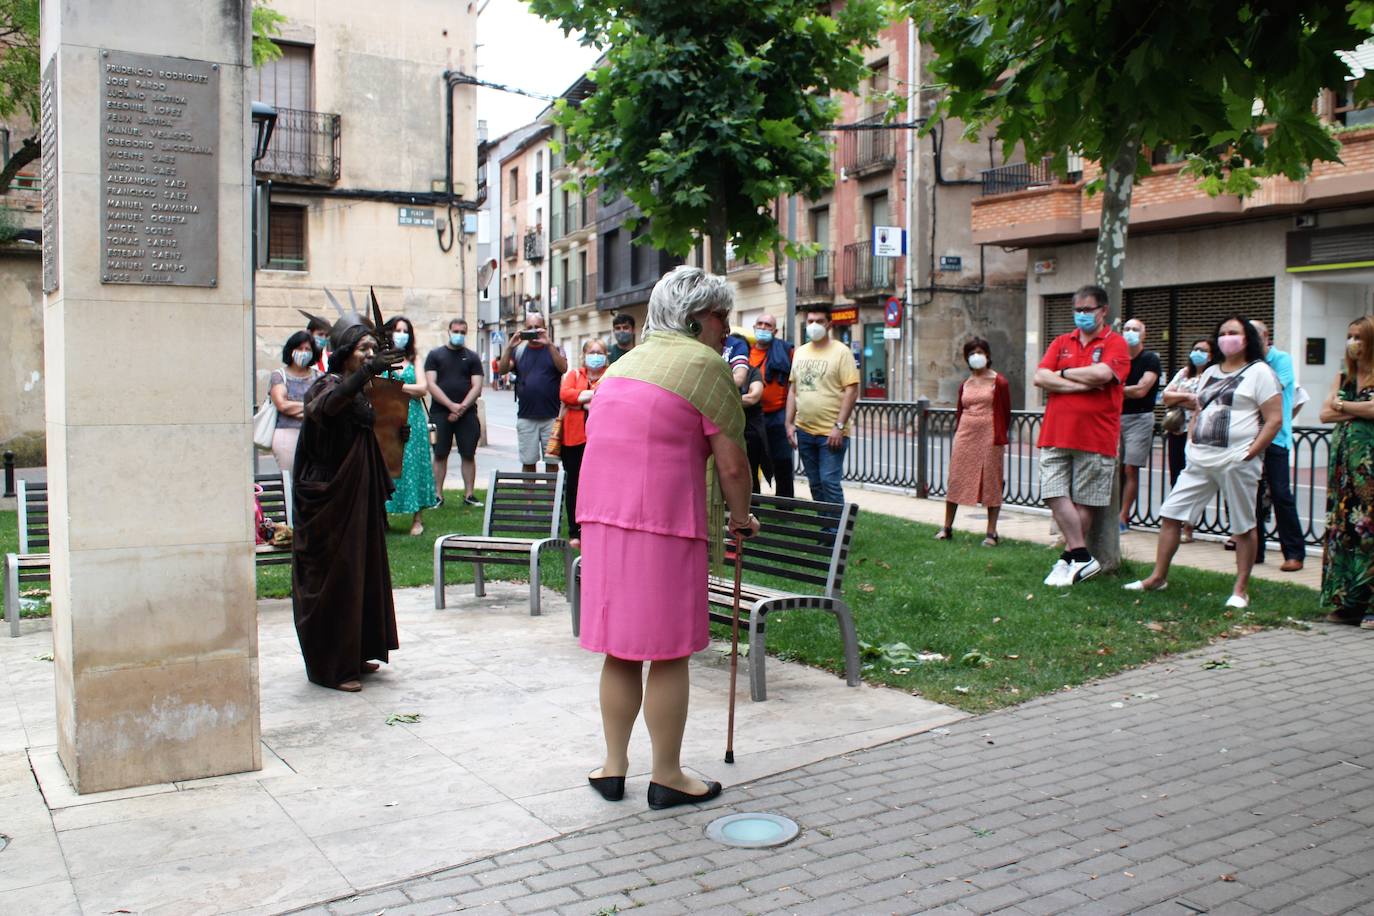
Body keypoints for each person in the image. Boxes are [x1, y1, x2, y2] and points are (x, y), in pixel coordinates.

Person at [577, 265, 758, 810]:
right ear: (696, 317)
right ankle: (668, 775)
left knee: (621, 650)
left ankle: (612, 767)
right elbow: (732, 466)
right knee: (668, 653)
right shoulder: (706, 366)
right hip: (664, 524)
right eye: (721, 316)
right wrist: (742, 519)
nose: (727, 329)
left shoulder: (621, 366)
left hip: (603, 520)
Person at [1125, 316, 1282, 609]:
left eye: (1233, 332)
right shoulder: (1210, 371)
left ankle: (1240, 589)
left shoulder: (1260, 372)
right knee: (1172, 514)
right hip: (1200, 458)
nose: (1226, 338)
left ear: (1246, 337)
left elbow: (1274, 419)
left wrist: (1252, 452)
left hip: (1236, 459)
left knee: (1243, 524)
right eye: (1222, 333)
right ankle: (1158, 577)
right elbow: (1200, 407)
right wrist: (1193, 437)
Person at [291, 316, 403, 692]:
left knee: (360, 572)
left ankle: (355, 652)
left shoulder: (361, 389)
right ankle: (333, 666)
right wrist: (369, 371)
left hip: (356, 495)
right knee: (336, 576)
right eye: (363, 350)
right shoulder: (326, 384)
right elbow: (327, 408)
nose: (370, 355)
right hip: (329, 498)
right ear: (344, 353)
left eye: (374, 349)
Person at [1033, 285, 1131, 587]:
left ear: (1103, 311)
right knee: (1052, 491)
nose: (1081, 315)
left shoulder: (1116, 343)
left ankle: (1069, 560)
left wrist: (1060, 375)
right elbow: (1040, 377)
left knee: (1083, 501)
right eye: (1077, 309)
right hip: (1055, 432)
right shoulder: (1062, 341)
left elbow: (1103, 375)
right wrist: (1075, 379)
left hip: (1096, 435)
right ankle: (1081, 556)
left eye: (1087, 309)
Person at [1320, 316, 1374, 629]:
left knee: (1369, 533)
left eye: (1359, 337)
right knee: (1346, 532)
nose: (1353, 342)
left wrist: (1343, 407)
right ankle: (1348, 602)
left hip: (1368, 468)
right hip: (1344, 472)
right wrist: (1350, 407)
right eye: (1349, 336)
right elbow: (1324, 413)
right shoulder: (1344, 376)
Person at [936, 337, 1011, 546]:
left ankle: (991, 532)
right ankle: (947, 527)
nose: (975, 357)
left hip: (990, 435)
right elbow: (960, 411)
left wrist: (999, 437)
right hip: (966, 434)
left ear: (987, 355)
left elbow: (1005, 412)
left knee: (991, 481)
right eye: (971, 353)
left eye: (979, 352)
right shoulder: (965, 384)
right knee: (956, 478)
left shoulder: (999, 382)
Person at [786, 307, 860, 506]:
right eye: (810, 321)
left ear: (829, 324)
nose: (814, 326)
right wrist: (789, 424)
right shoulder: (800, 353)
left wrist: (839, 426)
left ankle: (836, 533)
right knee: (816, 483)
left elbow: (851, 391)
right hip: (804, 430)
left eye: (819, 321)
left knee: (829, 482)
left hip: (831, 433)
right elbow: (793, 390)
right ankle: (826, 531)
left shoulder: (841, 352)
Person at [1249, 320, 1305, 572]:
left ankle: (1294, 553)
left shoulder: (1280, 360)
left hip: (1276, 438)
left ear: (1265, 337)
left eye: (1252, 336)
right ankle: (1254, 551)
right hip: (1250, 437)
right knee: (1252, 496)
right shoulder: (1246, 362)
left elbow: (1273, 388)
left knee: (1281, 494)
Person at [380, 316, 437, 536]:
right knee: (387, 466)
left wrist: (395, 386)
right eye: (397, 330)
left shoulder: (415, 359)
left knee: (414, 464)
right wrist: (403, 388)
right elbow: (377, 386)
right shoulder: (382, 359)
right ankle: (383, 514)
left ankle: (417, 517)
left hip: (413, 417)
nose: (401, 334)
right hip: (387, 418)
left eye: (405, 330)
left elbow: (422, 388)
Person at [425, 318, 485, 507]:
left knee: (468, 454)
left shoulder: (473, 357)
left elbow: (477, 386)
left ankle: (469, 494)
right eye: (456, 331)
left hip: (467, 414)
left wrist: (461, 408)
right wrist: (451, 405)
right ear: (449, 331)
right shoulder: (435, 355)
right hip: (440, 413)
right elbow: (431, 384)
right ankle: (437, 495)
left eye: (462, 332)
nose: (459, 334)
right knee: (440, 454)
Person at [500, 312, 567, 472]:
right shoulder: (519, 351)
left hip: (551, 417)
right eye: (529, 328)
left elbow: (563, 368)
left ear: (544, 328)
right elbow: (502, 370)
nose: (533, 331)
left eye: (537, 327)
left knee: (552, 462)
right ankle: (529, 498)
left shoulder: (555, 349)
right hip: (526, 417)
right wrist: (510, 347)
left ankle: (552, 497)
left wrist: (549, 344)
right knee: (528, 462)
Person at [559, 338, 610, 550]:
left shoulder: (611, 374)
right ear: (584, 355)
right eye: (592, 352)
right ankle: (575, 530)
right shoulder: (574, 375)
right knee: (574, 486)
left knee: (600, 485)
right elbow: (564, 394)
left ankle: (597, 527)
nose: (596, 356)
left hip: (602, 440)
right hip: (573, 439)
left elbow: (609, 397)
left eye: (600, 352)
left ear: (606, 355)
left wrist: (578, 400)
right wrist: (589, 397)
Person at [1161, 338, 1212, 542]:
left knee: (1194, 478)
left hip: (1200, 433)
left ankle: (1189, 526)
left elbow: (1204, 401)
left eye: (1203, 350)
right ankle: (1176, 522)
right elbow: (1166, 396)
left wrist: (1182, 398)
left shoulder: (1213, 375)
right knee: (1176, 476)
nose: (1197, 352)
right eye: (1195, 349)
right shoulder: (1184, 372)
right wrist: (1189, 398)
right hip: (1177, 430)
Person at [1117, 318, 1161, 532]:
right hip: (1116, 417)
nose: (1130, 332)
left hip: (1140, 418)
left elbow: (1142, 389)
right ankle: (1110, 513)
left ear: (1144, 334)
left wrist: (1115, 390)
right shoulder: (1117, 358)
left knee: (1130, 468)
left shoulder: (1150, 359)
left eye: (1135, 329)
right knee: (1113, 468)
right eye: (1126, 329)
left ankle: (1123, 516)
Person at [748, 313, 794, 497]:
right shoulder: (746, 352)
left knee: (783, 461)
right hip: (751, 416)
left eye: (768, 325)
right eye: (760, 324)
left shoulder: (786, 351)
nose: (763, 327)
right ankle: (752, 505)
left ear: (775, 331)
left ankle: (785, 508)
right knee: (751, 462)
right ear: (754, 327)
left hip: (778, 415)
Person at [268, 331, 321, 475]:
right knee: (290, 479)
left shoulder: (319, 376)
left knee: (313, 480)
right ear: (291, 350)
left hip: (314, 434)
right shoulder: (279, 376)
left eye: (308, 349)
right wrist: (311, 406)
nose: (303, 353)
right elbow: (282, 405)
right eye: (299, 348)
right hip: (287, 434)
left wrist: (295, 406)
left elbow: (323, 407)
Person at [740, 359, 769, 492]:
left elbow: (753, 397)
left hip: (750, 432)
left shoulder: (752, 372)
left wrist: (726, 398)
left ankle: (754, 508)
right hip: (727, 430)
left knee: (750, 471)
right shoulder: (720, 368)